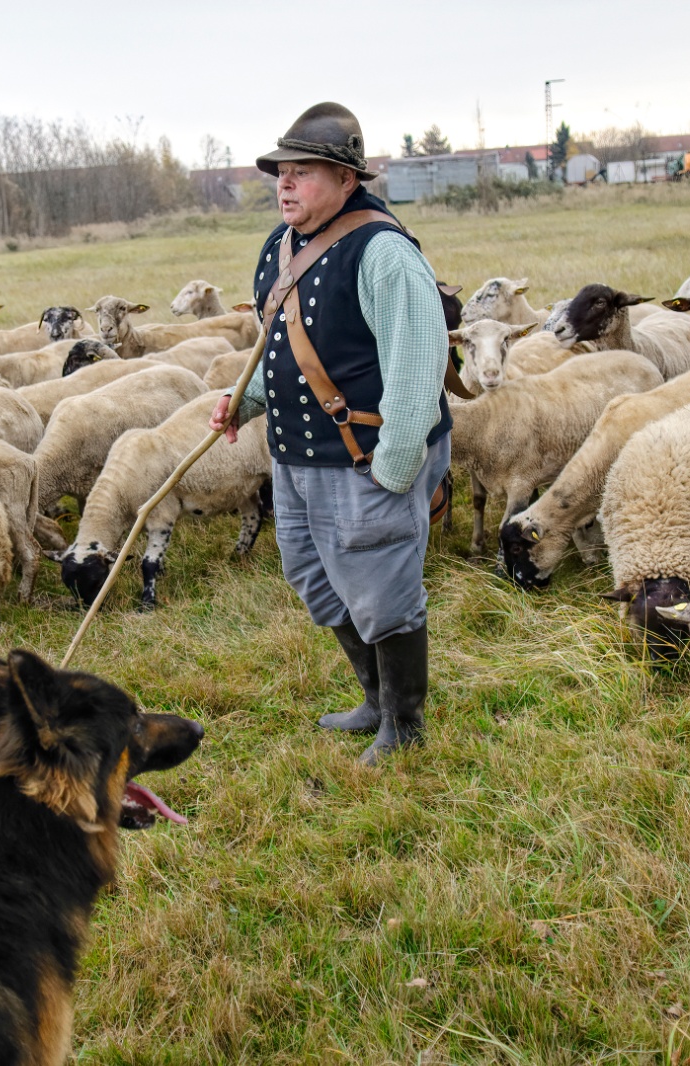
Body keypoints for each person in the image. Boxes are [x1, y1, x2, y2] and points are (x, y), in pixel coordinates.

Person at [209, 102, 450, 766]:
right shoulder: (278, 248)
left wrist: (396, 468)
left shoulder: (383, 253)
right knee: (316, 579)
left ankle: (404, 726)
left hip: (365, 456)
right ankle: (374, 699)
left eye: (304, 173)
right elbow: (282, 347)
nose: (285, 185)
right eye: (281, 173)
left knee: (382, 587)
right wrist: (243, 402)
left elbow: (417, 363)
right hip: (293, 457)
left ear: (347, 180)